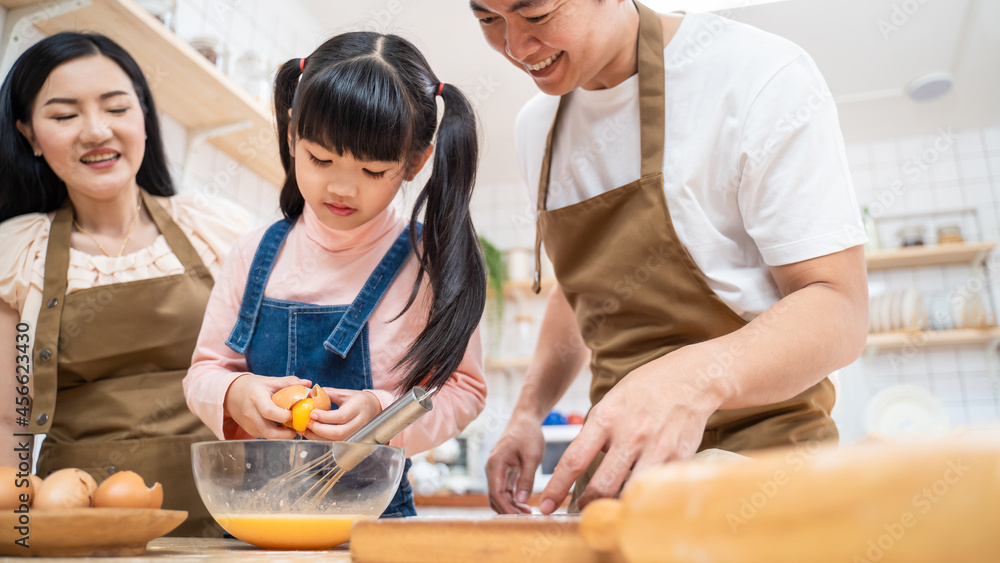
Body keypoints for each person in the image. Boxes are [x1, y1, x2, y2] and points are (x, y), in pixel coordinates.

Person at [471, 0, 869, 514]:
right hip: (618, 482)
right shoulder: (536, 129)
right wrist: (528, 412)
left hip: (764, 474)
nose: (515, 46)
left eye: (538, 15)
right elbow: (582, 295)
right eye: (487, 19)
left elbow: (839, 307)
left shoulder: (757, 74)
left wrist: (692, 378)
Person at [183, 31, 488, 518]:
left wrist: (382, 415)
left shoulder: (430, 263)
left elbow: (464, 390)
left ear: (414, 164)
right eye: (320, 159)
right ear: (291, 135)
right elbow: (204, 372)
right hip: (259, 517)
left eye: (372, 171)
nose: (342, 187)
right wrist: (234, 394)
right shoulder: (252, 253)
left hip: (378, 515)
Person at [0, 32, 250, 535]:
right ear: (29, 133)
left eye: (116, 107)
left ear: (143, 116)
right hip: (78, 530)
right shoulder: (16, 252)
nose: (95, 131)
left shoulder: (217, 230)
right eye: (64, 115)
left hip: (231, 523)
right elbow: (10, 421)